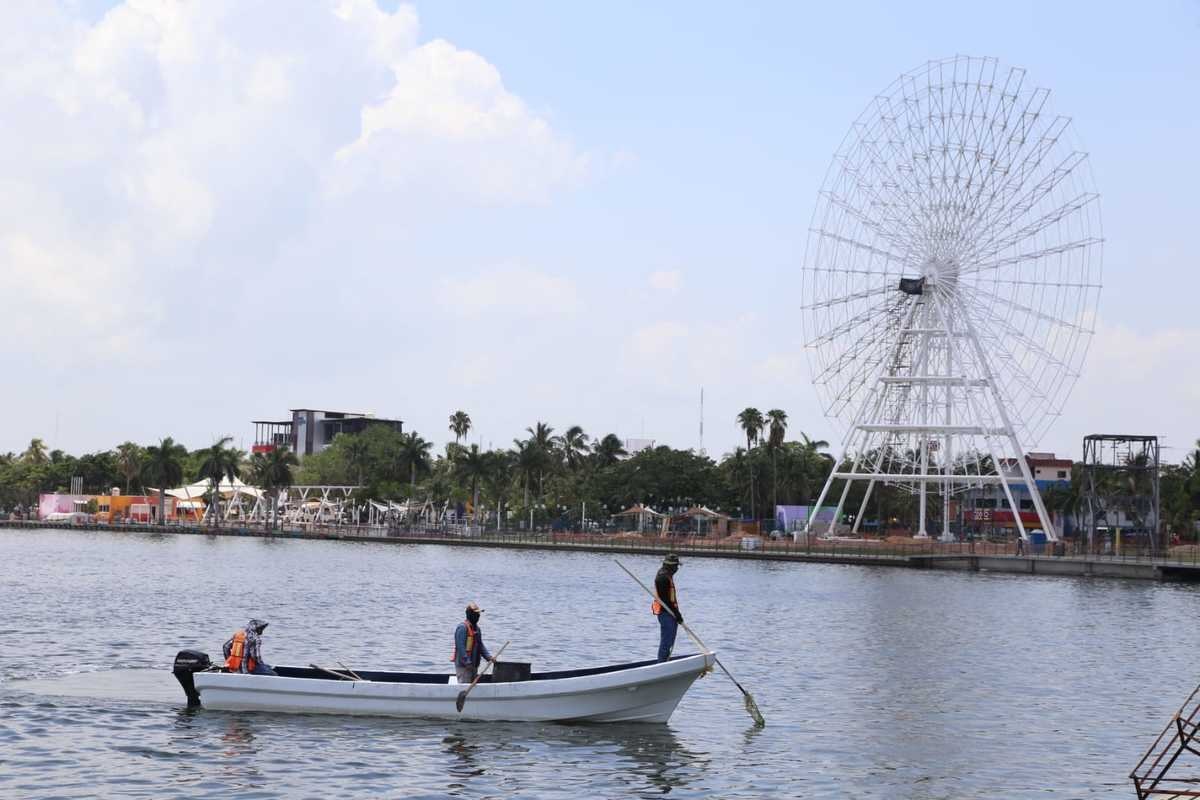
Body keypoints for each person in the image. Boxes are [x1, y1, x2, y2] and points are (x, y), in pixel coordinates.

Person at [452, 602, 493, 684]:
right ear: (470, 615)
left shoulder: (477, 629)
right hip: (464, 666)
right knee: (465, 686)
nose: (478, 616)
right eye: (476, 614)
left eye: (478, 614)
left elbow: (480, 646)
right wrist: (467, 663)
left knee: (472, 687)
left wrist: (489, 657)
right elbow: (461, 648)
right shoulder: (462, 628)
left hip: (473, 665)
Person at [653, 553, 683, 662]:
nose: (677, 569)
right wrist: (677, 614)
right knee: (666, 641)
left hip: (670, 613)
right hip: (665, 612)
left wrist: (676, 614)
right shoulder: (662, 578)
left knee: (670, 641)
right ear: (671, 566)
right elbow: (665, 600)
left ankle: (665, 661)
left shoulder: (667, 575)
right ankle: (661, 663)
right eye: (676, 566)